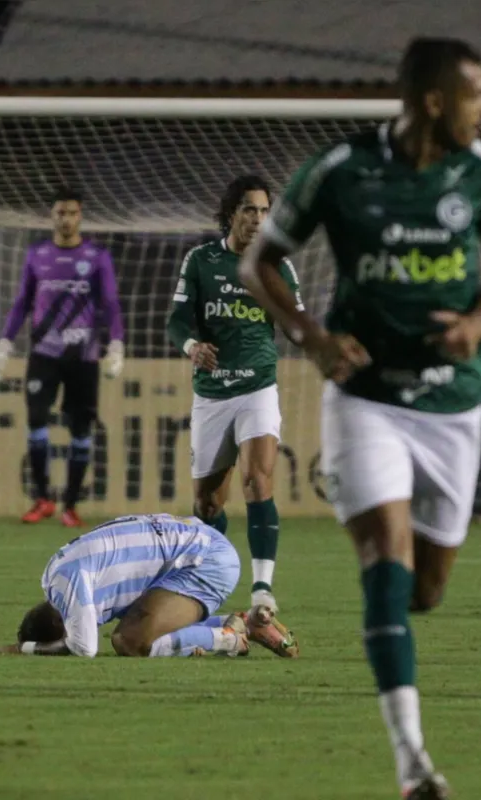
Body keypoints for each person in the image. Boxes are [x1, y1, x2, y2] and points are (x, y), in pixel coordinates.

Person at [237, 37, 481, 800]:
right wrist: (310, 335)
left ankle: (358, 495)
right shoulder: (339, 171)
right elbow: (258, 261)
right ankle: (412, 763)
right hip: (366, 398)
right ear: (435, 101)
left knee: (424, 590)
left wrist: (475, 324)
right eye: (477, 95)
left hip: (453, 403)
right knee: (384, 565)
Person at [165, 175, 304, 614]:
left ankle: (262, 589)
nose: (258, 219)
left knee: (257, 480)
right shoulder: (201, 261)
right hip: (212, 394)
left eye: (265, 211)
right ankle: (215, 576)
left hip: (257, 388)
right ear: (232, 213)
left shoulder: (276, 266)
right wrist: (192, 346)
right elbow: (176, 321)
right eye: (250, 210)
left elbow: (296, 324)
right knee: (207, 504)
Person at [0, 187, 125, 527]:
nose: (66, 219)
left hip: (83, 355)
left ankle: (70, 506)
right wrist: (5, 341)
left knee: (81, 430)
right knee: (36, 419)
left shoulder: (97, 256)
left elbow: (110, 303)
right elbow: (23, 300)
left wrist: (117, 343)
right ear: (52, 216)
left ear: (80, 216)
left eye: (72, 213)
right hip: (44, 354)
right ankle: (42, 499)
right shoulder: (37, 254)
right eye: (60, 213)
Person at [0, 513, 299, 659]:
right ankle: (244, 624)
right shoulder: (53, 574)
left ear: (61, 621)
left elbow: (84, 648)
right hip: (192, 541)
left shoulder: (70, 588)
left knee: (129, 640)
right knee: (137, 621)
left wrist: (23, 649)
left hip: (204, 560)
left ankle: (227, 638)